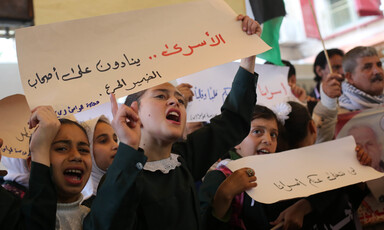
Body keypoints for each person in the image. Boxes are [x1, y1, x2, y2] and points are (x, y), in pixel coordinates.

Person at [83, 14, 260, 230]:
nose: (175, 102)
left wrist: (248, 57)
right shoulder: (122, 179)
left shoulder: (183, 158)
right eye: (160, 96)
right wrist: (128, 147)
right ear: (132, 113)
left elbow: (232, 121)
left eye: (180, 99)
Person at [29, 106, 92, 229]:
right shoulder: (16, 219)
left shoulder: (98, 218)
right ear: (32, 163)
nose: (77, 156)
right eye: (61, 148)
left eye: (84, 150)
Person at [81, 115, 118, 208]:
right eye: (103, 141)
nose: (116, 146)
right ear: (86, 149)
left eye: (115, 140)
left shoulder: (126, 185)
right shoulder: (84, 206)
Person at [339, 46, 384, 111]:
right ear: (350, 77)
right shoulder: (340, 113)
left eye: (379, 65)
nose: (377, 71)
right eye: (367, 67)